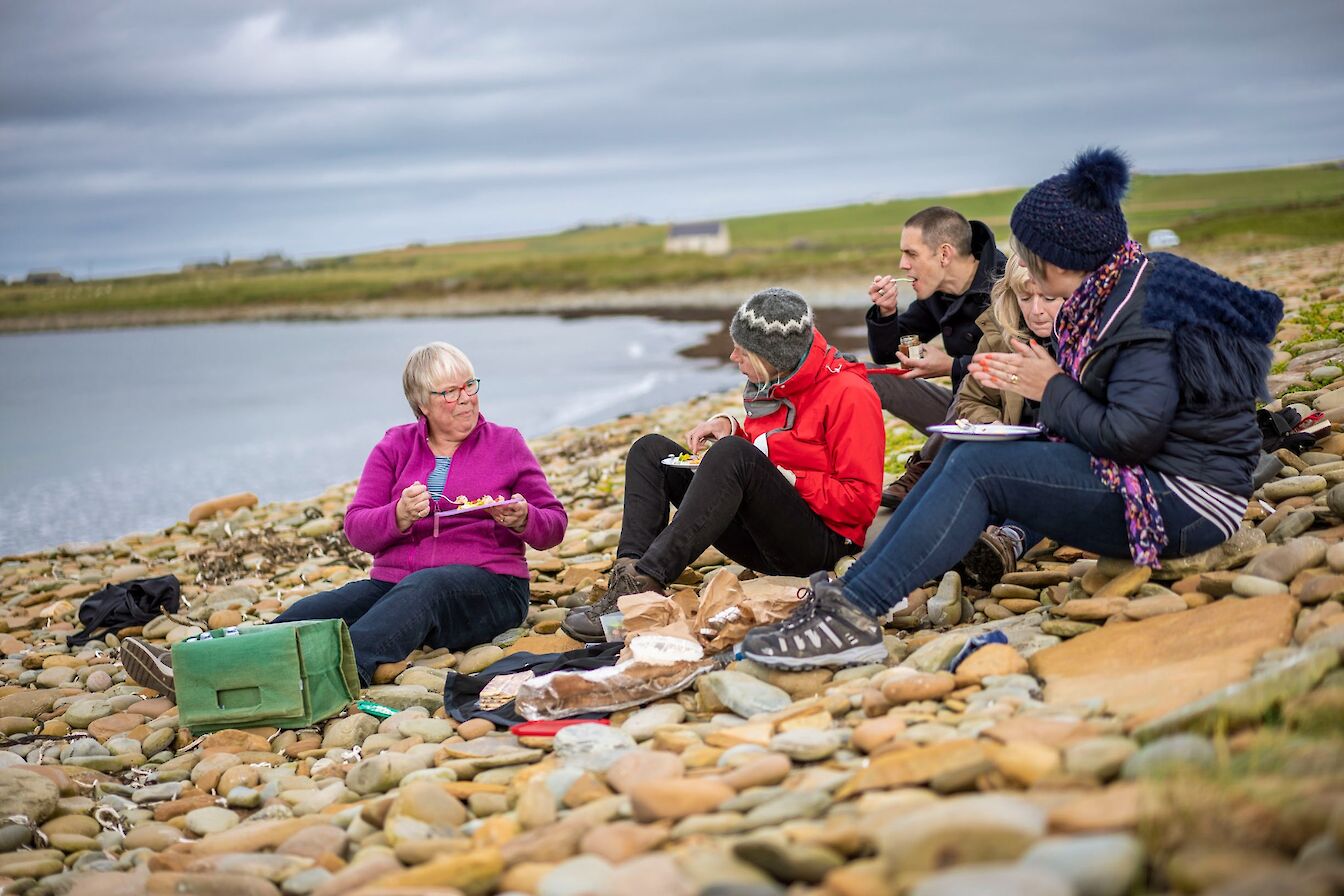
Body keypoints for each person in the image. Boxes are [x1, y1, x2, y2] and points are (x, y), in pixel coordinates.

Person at [737, 148, 1281, 669]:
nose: (1019, 265)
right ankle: (851, 599)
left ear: (1063, 260)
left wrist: (1050, 389)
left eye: (1029, 255)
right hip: (1157, 476)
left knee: (980, 468)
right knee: (965, 449)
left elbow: (1130, 435)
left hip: (1185, 503)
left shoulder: (1138, 315)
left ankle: (852, 620)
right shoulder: (1119, 289)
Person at [122, 343, 567, 696]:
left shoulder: (506, 443)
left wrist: (523, 518)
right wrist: (397, 516)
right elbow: (357, 528)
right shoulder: (394, 447)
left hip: (492, 586)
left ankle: (323, 678)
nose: (466, 399)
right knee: (317, 610)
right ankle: (202, 668)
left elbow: (554, 525)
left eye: (470, 385)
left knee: (425, 587)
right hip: (397, 584)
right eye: (450, 392)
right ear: (421, 403)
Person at [561, 287, 885, 643]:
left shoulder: (849, 394)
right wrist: (731, 427)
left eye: (743, 351)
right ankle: (626, 584)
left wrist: (787, 477)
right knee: (650, 451)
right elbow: (772, 453)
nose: (733, 357)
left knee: (731, 454)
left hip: (818, 548)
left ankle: (647, 583)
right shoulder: (778, 380)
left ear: (773, 354)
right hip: (765, 535)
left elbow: (859, 505)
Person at [866, 207, 1006, 508]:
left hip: (1004, 420)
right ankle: (849, 472)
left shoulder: (1006, 285)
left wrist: (949, 366)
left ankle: (922, 467)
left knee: (970, 389)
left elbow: (1016, 367)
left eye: (911, 254)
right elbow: (886, 352)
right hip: (955, 418)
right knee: (868, 375)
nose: (903, 265)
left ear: (944, 254)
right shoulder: (937, 292)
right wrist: (886, 312)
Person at [954, 258, 1064, 583]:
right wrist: (994, 426)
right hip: (1011, 458)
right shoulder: (1000, 339)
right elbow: (971, 400)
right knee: (971, 482)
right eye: (1025, 298)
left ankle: (1008, 542)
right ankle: (961, 547)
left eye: (1048, 298)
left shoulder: (1090, 344)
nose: (1036, 310)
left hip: (1066, 468)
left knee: (1039, 489)